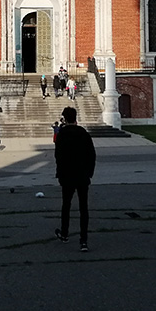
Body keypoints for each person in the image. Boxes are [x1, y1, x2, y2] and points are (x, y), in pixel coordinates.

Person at [54, 106, 96, 252]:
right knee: (83, 208)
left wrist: (59, 174)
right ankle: (83, 241)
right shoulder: (83, 133)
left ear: (65, 118)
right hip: (82, 176)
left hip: (67, 176)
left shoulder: (62, 134)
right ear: (76, 117)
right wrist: (89, 173)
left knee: (66, 205)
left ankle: (64, 234)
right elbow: (92, 155)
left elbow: (58, 157)